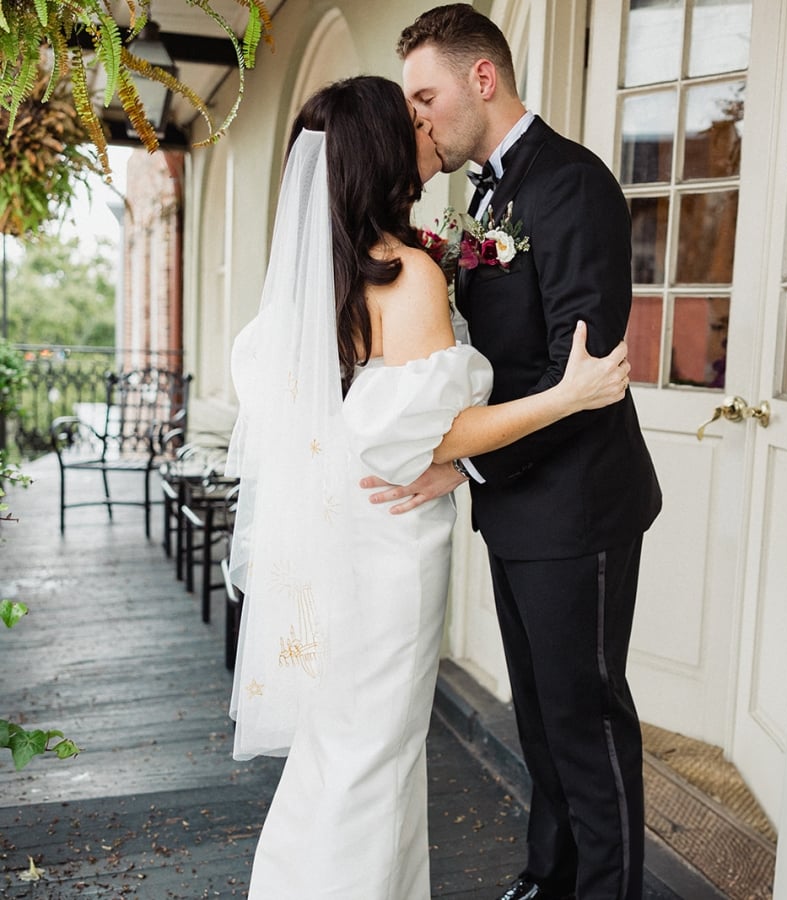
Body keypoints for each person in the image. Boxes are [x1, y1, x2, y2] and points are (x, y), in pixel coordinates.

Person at [225, 74, 631, 899]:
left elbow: (342, 422)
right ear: (381, 149)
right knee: (373, 754)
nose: (423, 127)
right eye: (407, 116)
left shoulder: (313, 285)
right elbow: (427, 437)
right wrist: (568, 395)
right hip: (391, 544)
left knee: (340, 749)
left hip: (339, 534)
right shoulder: (406, 275)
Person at [380, 7, 664, 899]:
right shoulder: (489, 196)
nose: (418, 119)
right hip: (518, 508)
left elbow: (579, 378)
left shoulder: (570, 183)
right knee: (536, 719)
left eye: (426, 97)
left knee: (587, 723)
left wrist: (462, 464)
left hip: (581, 505)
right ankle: (550, 878)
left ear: (483, 79)